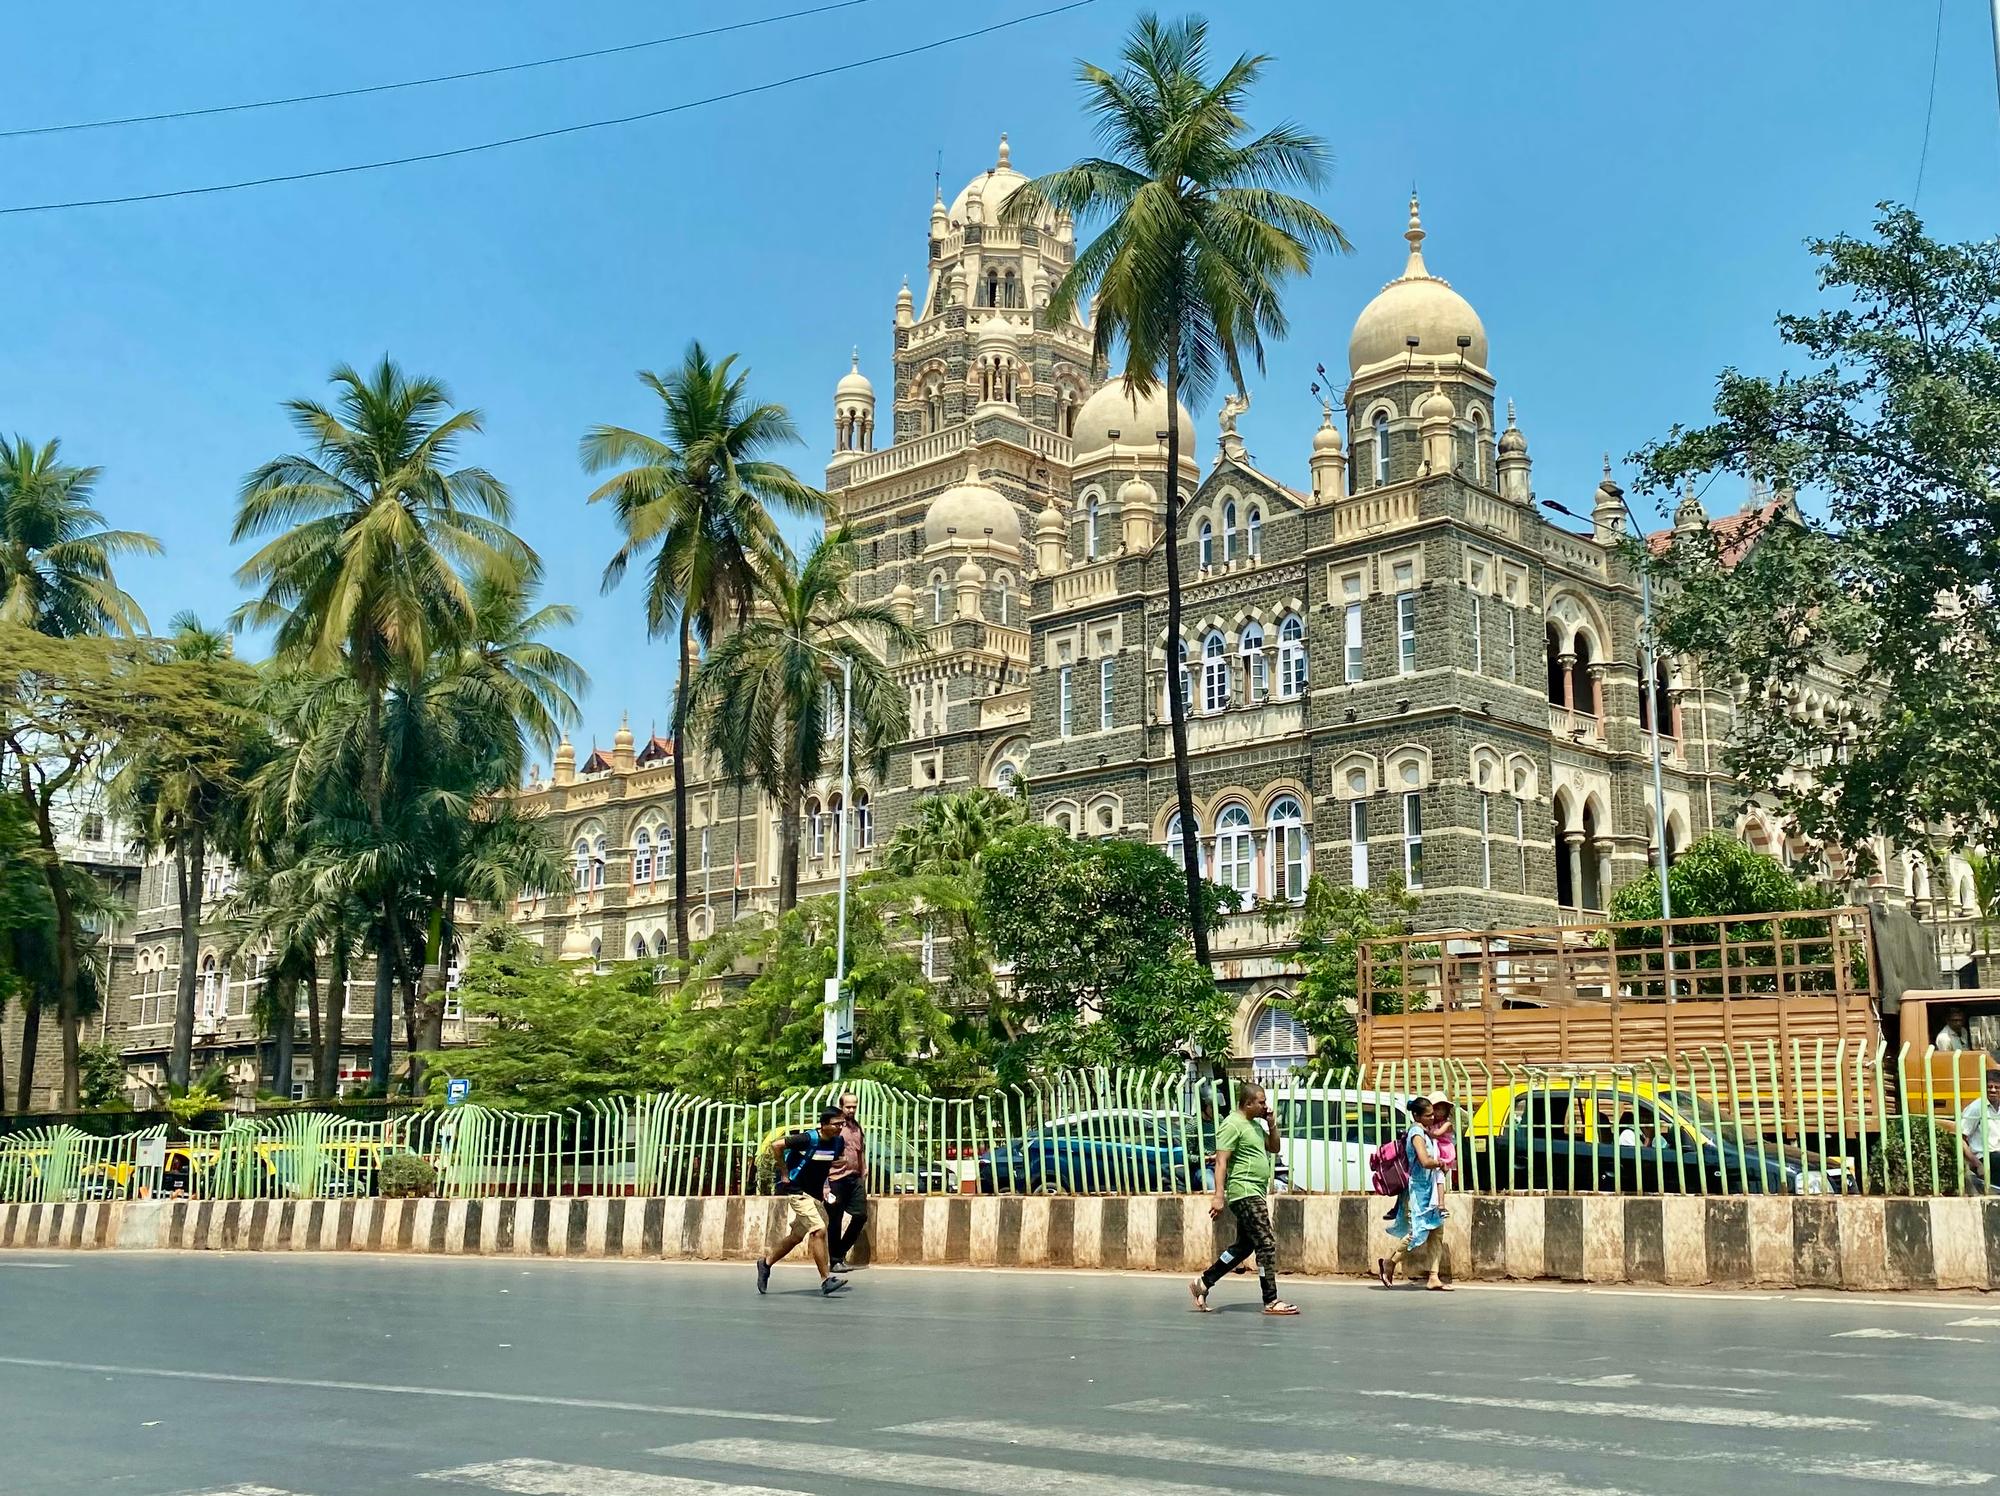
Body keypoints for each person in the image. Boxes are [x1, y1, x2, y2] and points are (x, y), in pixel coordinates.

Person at [1189, 1082, 1299, 1316]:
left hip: (1255, 1191)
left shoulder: (1255, 1125)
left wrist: (1271, 1124)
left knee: (1244, 1247)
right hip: (1244, 1191)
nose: (1265, 1106)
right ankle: (1270, 1299)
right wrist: (1218, 1196)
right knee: (1266, 1243)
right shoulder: (1232, 1124)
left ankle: (1204, 1282)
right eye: (1261, 1102)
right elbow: (1221, 1162)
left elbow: (1274, 1147)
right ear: (1248, 1103)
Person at [756, 1106, 850, 1297]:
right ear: (823, 1125)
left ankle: (765, 1263)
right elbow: (776, 1145)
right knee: (818, 1229)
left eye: (842, 1124)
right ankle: (826, 1280)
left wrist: (829, 1183)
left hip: (815, 1195)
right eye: (836, 1124)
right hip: (797, 1191)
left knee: (796, 1237)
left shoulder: (838, 1142)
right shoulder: (808, 1138)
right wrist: (784, 1172)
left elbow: (829, 1164)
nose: (840, 1127)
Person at [1380, 1094, 1449, 1290]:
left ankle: (1434, 1277)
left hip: (1429, 1189)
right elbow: (1425, 1161)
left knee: (1437, 1231)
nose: (1432, 1118)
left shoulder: (1425, 1132)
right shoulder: (1416, 1133)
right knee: (1417, 1232)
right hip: (1417, 1191)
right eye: (1428, 1115)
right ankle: (1390, 1262)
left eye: (1432, 1114)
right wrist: (1440, 1163)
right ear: (1417, 1116)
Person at [825, 1089, 869, 1273]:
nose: (851, 1110)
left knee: (860, 1216)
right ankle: (835, 1261)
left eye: (854, 1106)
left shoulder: (856, 1127)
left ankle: (840, 1252)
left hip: (854, 1178)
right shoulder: (835, 1128)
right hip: (836, 1179)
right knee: (835, 1220)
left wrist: (864, 1170)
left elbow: (860, 1151)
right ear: (841, 1106)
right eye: (848, 1106)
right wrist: (825, 1183)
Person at [1960, 1071, 2000, 1196]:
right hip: (1984, 1157)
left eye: (1997, 1087)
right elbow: (1960, 1138)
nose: (1993, 1090)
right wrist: (1977, 1164)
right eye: (1989, 1087)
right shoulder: (1976, 1107)